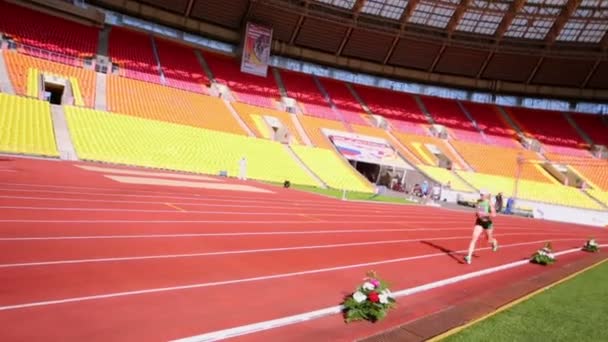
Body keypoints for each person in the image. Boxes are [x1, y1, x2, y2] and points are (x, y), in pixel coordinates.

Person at [464, 190, 498, 265]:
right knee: (474, 238)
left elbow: (494, 214)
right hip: (479, 222)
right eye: (480, 194)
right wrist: (477, 214)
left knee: (489, 239)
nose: (481, 196)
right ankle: (469, 256)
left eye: (482, 194)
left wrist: (486, 214)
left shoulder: (489, 203)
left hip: (487, 223)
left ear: (486, 195)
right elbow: (478, 211)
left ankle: (494, 242)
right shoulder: (478, 201)